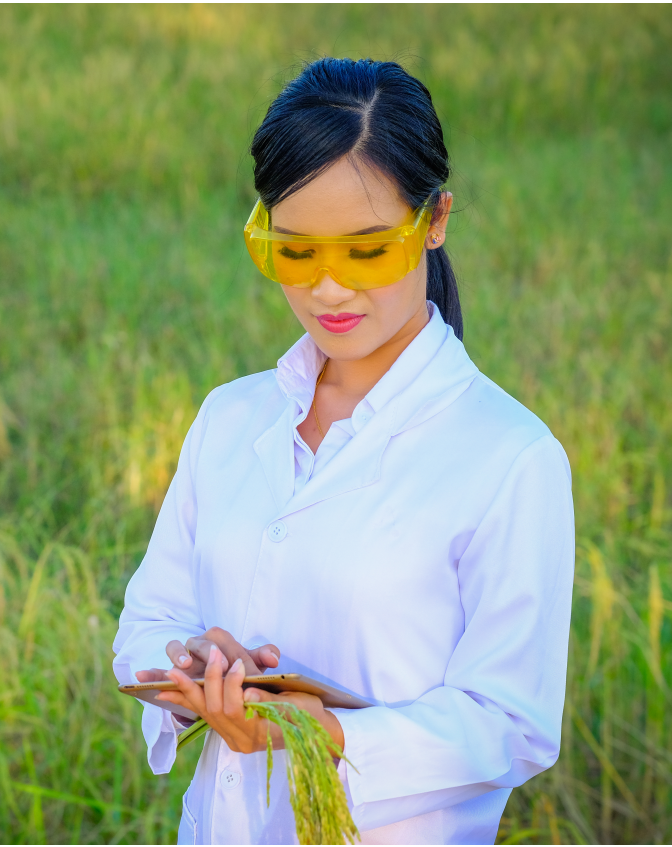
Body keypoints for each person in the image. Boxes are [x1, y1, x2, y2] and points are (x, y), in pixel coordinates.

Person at [112, 58, 575, 845]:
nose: (327, 289)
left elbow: (511, 720)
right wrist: (188, 663)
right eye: (295, 252)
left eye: (365, 251)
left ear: (436, 221)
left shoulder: (509, 456)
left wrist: (328, 736)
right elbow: (147, 617)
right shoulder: (231, 417)